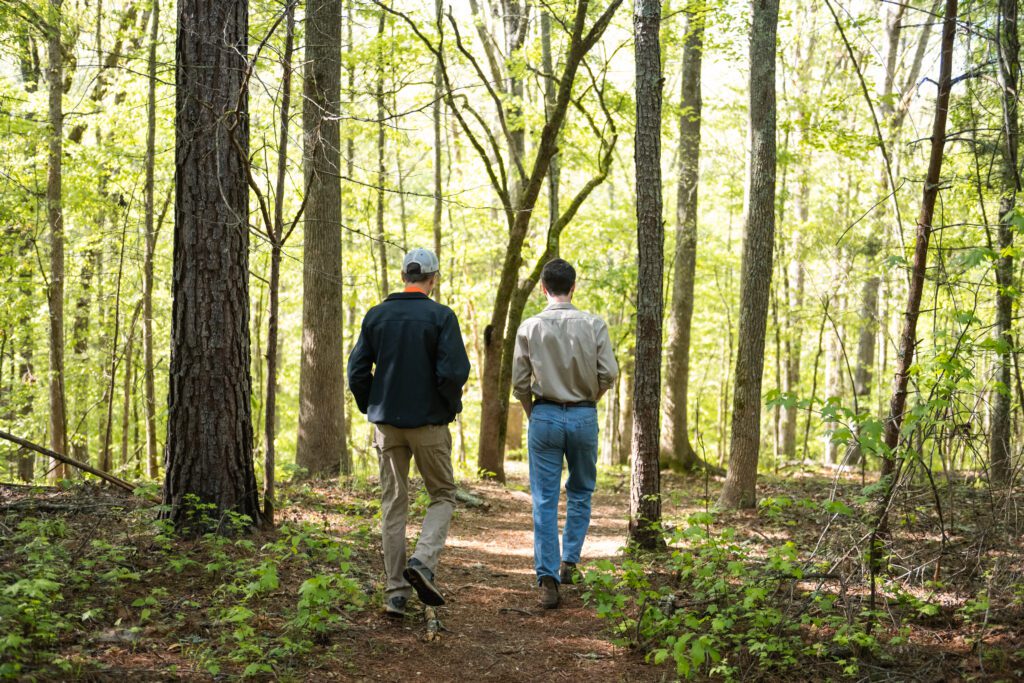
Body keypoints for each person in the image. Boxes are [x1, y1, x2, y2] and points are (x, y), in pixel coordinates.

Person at [348, 248, 471, 618]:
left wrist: (375, 405)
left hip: (387, 427)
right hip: (429, 424)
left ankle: (396, 593)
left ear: (404, 275)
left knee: (393, 504)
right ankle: (422, 562)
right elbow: (453, 372)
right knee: (443, 495)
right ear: (432, 279)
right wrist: (448, 406)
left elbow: (356, 372)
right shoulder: (440, 316)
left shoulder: (376, 315)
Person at [511, 258, 618, 609]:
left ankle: (547, 578)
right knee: (581, 491)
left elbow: (519, 383)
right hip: (584, 416)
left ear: (543, 288)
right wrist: (588, 400)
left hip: (544, 415)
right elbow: (609, 374)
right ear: (573, 287)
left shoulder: (530, 327)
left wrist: (534, 412)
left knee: (544, 498)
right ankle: (569, 561)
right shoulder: (593, 324)